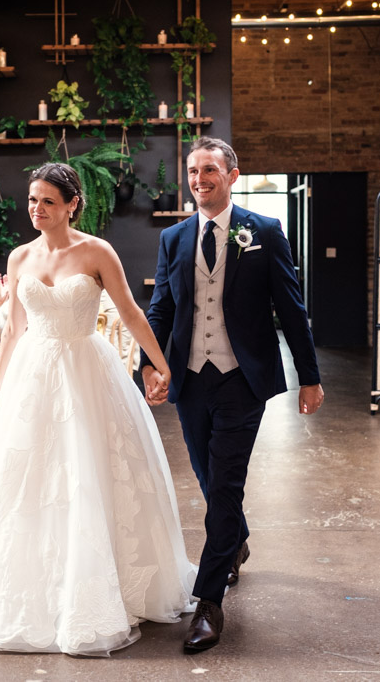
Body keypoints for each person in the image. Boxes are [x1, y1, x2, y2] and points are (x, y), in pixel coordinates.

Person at [0, 163, 195, 656]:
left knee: (91, 471)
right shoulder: (20, 257)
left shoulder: (97, 251)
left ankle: (103, 584)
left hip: (86, 369)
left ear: (71, 205)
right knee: (29, 480)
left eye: (47, 202)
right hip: (35, 375)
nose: (36, 209)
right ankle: (35, 587)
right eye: (33, 200)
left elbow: (130, 312)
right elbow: (15, 330)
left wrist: (161, 365)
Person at [140, 137, 324, 652]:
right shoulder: (174, 238)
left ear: (233, 175)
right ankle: (235, 540)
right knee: (206, 475)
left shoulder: (264, 231)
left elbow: (290, 307)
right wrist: (150, 365)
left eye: (210, 170)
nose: (200, 179)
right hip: (191, 377)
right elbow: (161, 309)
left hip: (243, 378)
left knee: (224, 483)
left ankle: (209, 601)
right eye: (193, 171)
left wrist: (309, 376)